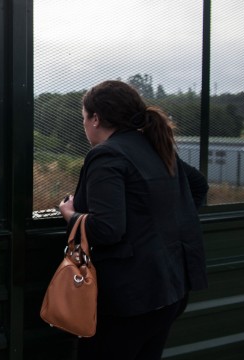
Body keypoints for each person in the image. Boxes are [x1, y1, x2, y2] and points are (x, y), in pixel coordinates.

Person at [58, 80, 209, 360]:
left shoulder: (107, 154)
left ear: (95, 118)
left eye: (83, 118)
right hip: (170, 289)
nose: (84, 125)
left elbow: (107, 229)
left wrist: (71, 214)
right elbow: (197, 186)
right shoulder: (153, 144)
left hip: (129, 300)